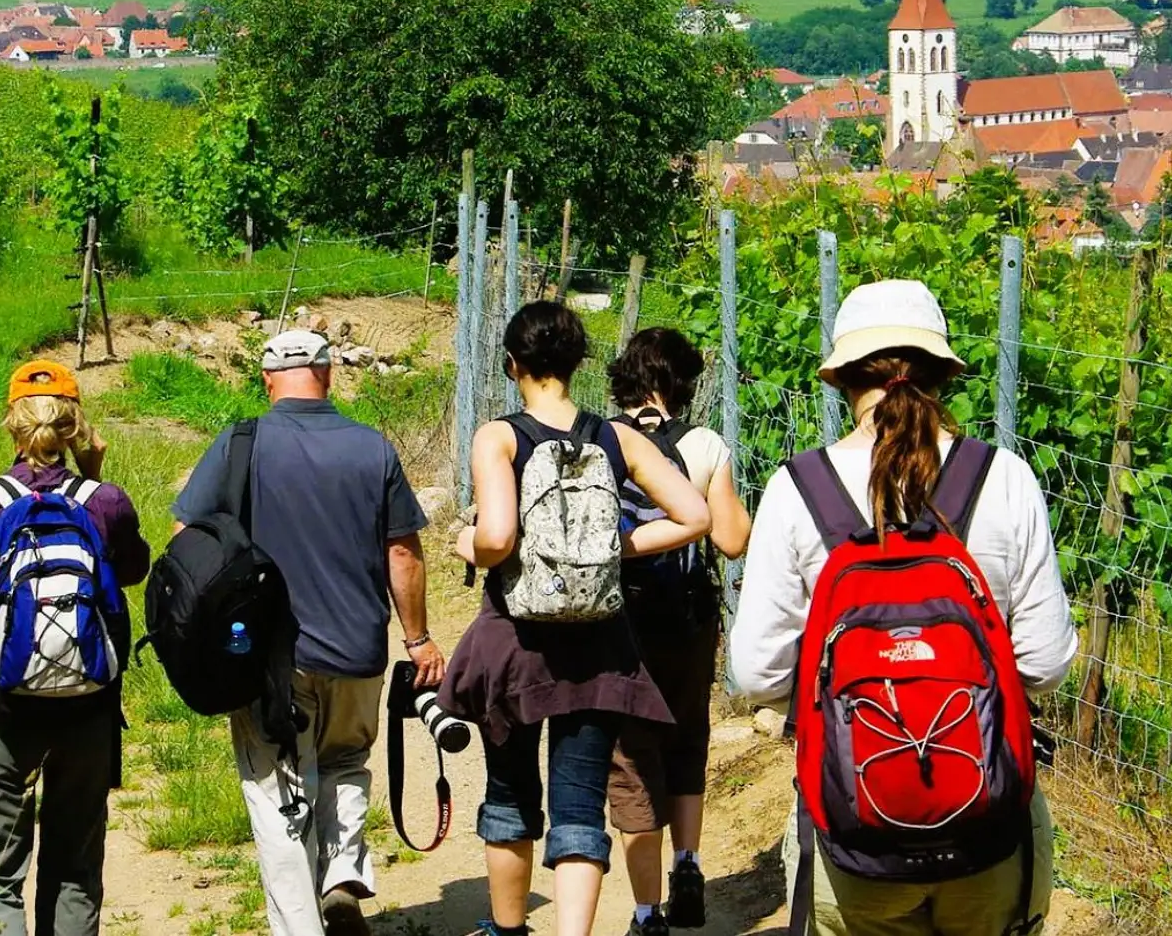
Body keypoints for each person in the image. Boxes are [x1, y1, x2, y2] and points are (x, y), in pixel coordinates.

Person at [729, 280, 1077, 936]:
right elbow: (1048, 662)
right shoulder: (1004, 479)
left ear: (840, 381)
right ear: (945, 374)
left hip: (852, 827)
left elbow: (754, 673)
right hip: (989, 821)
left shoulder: (799, 490)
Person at [439, 302, 712, 936]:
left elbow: (499, 536)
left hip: (518, 640)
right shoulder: (615, 437)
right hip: (599, 646)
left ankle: (508, 931)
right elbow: (694, 516)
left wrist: (465, 541)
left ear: (512, 365)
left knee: (509, 793)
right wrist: (617, 547)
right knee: (581, 800)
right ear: (577, 363)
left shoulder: (500, 436)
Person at [170, 327, 441, 936]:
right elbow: (403, 553)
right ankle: (342, 876)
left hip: (270, 658)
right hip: (359, 649)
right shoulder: (372, 448)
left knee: (276, 793)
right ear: (328, 374)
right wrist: (418, 639)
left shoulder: (243, 442)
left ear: (267, 380)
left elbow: (187, 542)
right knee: (346, 760)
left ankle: (300, 928)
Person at [0, 359, 153, 936]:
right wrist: (96, 474)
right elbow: (131, 570)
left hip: (1, 712)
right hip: (89, 709)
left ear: (12, 425)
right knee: (74, 866)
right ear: (77, 427)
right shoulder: (105, 503)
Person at [604, 328, 753, 936]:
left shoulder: (598, 438)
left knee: (631, 758)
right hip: (688, 623)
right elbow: (732, 538)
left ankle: (646, 910)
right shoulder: (703, 443)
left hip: (619, 622)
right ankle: (688, 864)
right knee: (688, 736)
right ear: (684, 383)